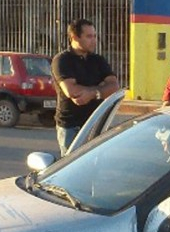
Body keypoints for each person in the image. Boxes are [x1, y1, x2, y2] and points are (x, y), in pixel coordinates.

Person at [51, 18, 120, 155]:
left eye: (94, 36)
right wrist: (100, 87)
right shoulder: (62, 60)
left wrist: (93, 93)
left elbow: (114, 86)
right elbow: (72, 91)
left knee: (96, 166)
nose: (94, 40)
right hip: (71, 127)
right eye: (89, 36)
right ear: (74, 37)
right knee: (72, 168)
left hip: (96, 124)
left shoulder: (98, 60)